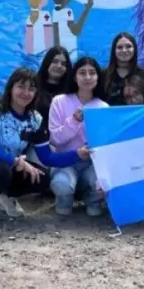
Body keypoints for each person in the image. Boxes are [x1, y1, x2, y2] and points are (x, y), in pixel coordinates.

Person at [0, 67, 88, 231]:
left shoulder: (35, 119)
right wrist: (15, 161)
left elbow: (47, 157)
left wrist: (77, 154)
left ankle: (6, 195)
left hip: (9, 166)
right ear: (11, 87)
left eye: (31, 88)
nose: (26, 92)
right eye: (21, 86)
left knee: (42, 179)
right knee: (1, 171)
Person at [48, 57, 109, 216]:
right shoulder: (59, 101)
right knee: (62, 185)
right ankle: (63, 200)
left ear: (98, 77)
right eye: (82, 73)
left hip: (91, 164)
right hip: (65, 161)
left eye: (92, 73)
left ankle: (93, 200)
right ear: (74, 77)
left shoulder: (103, 107)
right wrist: (74, 121)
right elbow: (55, 139)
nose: (87, 77)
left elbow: (106, 142)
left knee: (103, 183)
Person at [104, 32, 144, 106]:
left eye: (128, 46)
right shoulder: (104, 75)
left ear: (134, 49)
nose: (124, 50)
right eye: (120, 47)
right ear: (114, 50)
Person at [33, 46, 73, 142]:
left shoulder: (71, 92)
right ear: (47, 63)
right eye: (54, 61)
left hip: (65, 142)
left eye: (63, 64)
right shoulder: (33, 86)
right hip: (37, 143)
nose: (59, 66)